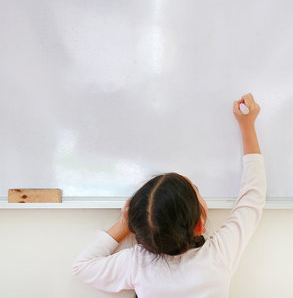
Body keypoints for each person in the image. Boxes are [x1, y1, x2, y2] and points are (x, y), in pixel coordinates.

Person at [72, 93, 266, 297]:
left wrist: (125, 223)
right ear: (199, 225)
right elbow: (253, 196)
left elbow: (82, 268)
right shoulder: (218, 256)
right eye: (197, 191)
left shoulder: (137, 264)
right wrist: (248, 126)